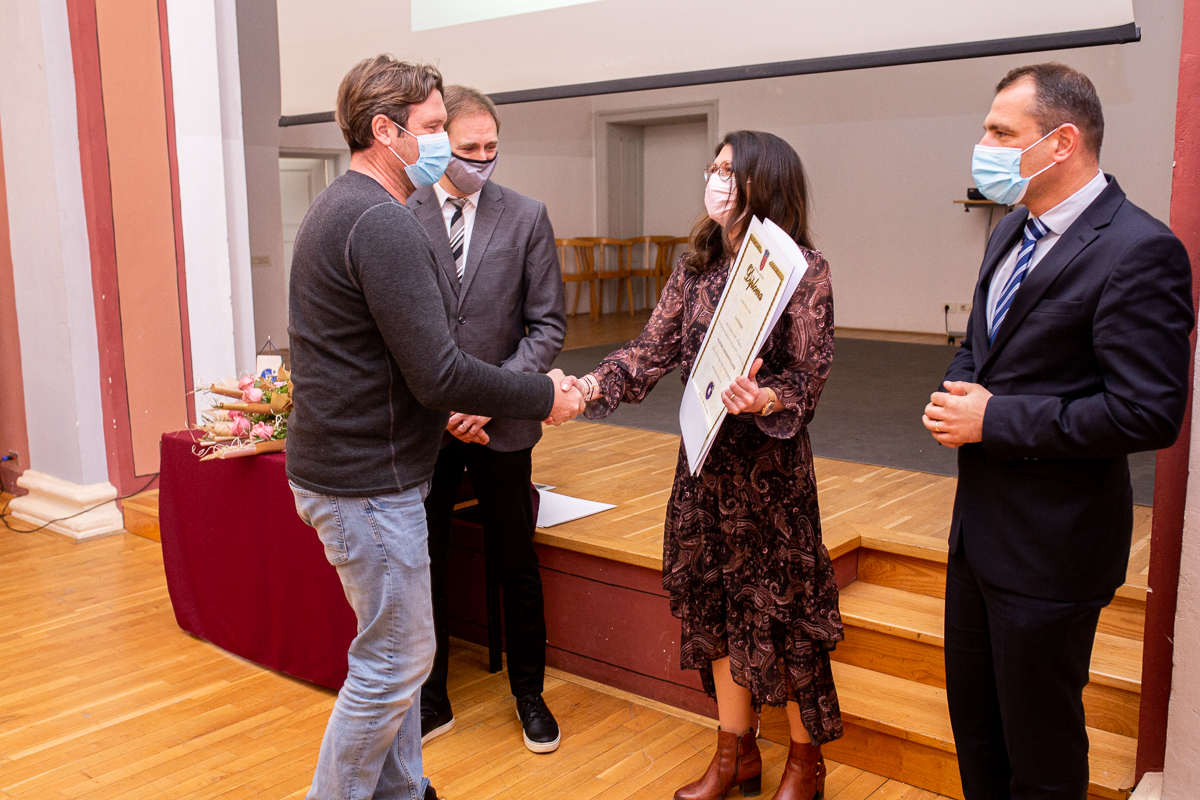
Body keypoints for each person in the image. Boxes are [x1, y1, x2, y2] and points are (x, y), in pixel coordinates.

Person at [285, 56, 584, 800]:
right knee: (394, 665)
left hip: (356, 469)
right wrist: (542, 394)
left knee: (397, 656)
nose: (446, 142)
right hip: (367, 479)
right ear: (386, 132)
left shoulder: (343, 203)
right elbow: (440, 373)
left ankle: (403, 791)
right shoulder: (379, 220)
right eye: (433, 127)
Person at [922, 63, 1193, 799]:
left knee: (1040, 757)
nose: (983, 147)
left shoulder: (1139, 249)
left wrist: (994, 418)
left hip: (1053, 550)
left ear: (1062, 142)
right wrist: (957, 390)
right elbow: (982, 343)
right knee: (979, 734)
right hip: (978, 536)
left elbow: (1148, 412)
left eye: (1000, 133)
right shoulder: (1012, 227)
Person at [570, 130, 843, 800]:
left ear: (763, 183)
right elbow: (650, 350)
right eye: (713, 167)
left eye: (728, 170)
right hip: (704, 468)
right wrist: (588, 387)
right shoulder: (694, 267)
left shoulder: (803, 269)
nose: (714, 180)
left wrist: (766, 397)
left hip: (770, 478)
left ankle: (805, 762)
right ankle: (734, 753)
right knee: (714, 606)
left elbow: (808, 377)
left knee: (787, 617)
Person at [405, 85, 567, 754]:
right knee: (427, 562)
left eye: (490, 147)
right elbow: (396, 330)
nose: (481, 158)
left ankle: (530, 694)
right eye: (467, 147)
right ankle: (431, 695)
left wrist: (489, 397)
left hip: (502, 424)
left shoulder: (526, 216)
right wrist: (446, 403)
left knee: (514, 561)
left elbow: (546, 325)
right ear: (439, 146)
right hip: (427, 423)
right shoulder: (403, 213)